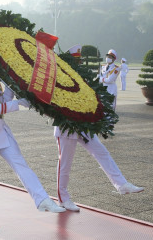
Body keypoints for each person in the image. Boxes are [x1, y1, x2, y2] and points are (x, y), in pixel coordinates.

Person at [0, 40, 65, 233]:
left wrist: (13, 87)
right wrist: (18, 104)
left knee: (21, 165)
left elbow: (3, 100)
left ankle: (43, 200)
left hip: (2, 131)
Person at [56, 46, 144, 212]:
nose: (79, 63)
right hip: (67, 127)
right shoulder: (61, 78)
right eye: (76, 60)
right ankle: (63, 198)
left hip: (83, 125)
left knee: (102, 152)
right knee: (65, 164)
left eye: (79, 60)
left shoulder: (82, 76)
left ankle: (121, 184)